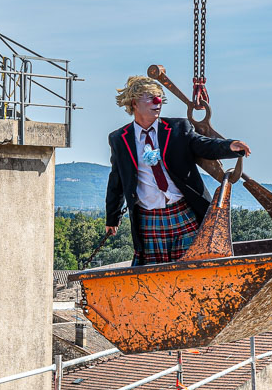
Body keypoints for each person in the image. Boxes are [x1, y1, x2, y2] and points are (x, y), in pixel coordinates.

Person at [104, 74, 250, 265]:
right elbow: (117, 180)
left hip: (182, 213)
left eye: (159, 98)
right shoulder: (119, 139)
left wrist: (229, 146)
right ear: (134, 103)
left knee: (193, 269)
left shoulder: (178, 128)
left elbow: (203, 145)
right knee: (154, 279)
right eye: (150, 97)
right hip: (148, 219)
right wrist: (112, 218)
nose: (158, 102)